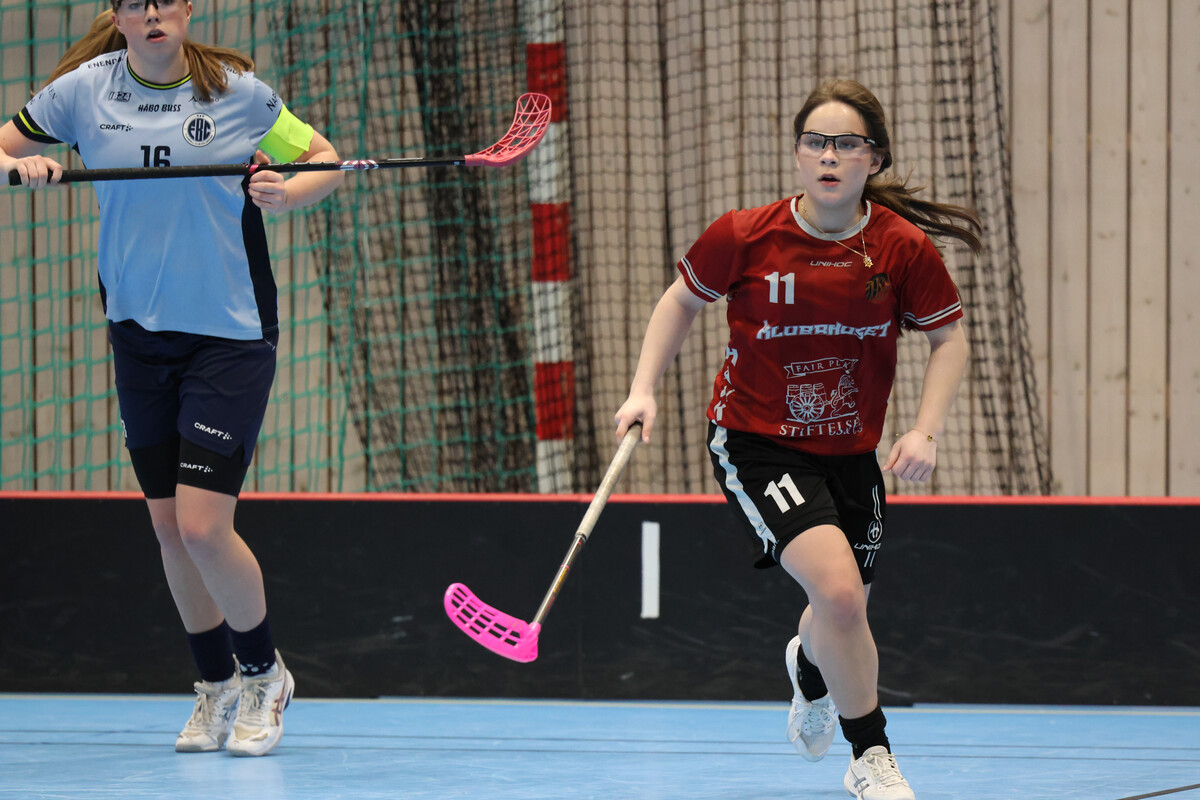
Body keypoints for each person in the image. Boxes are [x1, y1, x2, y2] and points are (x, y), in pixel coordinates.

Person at [614, 79, 981, 800]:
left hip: (851, 454)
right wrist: (642, 388)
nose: (829, 156)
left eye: (847, 144)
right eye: (816, 141)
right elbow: (681, 301)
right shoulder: (744, 235)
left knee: (843, 611)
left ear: (874, 158)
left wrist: (925, 430)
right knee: (840, 594)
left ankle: (809, 668)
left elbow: (950, 340)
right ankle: (870, 756)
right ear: (798, 153)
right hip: (757, 444)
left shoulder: (900, 248)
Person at [1, 0, 344, 757]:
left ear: (186, 9)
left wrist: (288, 190)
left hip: (229, 334)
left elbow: (323, 159)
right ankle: (214, 687)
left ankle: (264, 676)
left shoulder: (237, 92)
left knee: (200, 526)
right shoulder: (81, 91)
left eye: (165, 1)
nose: (153, 13)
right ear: (118, 16)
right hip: (138, 335)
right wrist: (17, 164)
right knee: (168, 529)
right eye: (137, 3)